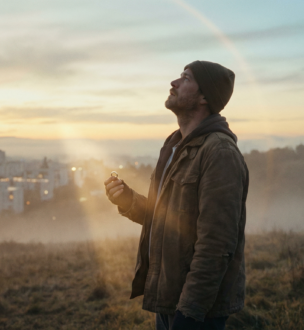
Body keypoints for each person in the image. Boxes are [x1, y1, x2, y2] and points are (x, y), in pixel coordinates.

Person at [104, 61, 249, 330]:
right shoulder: (174, 146)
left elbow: (216, 244)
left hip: (197, 310)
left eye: (185, 78)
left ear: (205, 97)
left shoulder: (219, 153)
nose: (174, 83)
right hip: (171, 299)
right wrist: (128, 200)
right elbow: (169, 219)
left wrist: (190, 312)